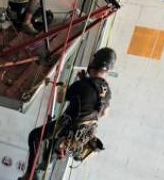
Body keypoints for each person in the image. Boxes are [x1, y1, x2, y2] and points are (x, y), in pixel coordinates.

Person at [19, 47, 114, 180]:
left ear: (94, 63)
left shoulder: (82, 85)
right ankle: (56, 152)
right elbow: (104, 113)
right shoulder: (107, 91)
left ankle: (30, 174)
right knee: (53, 139)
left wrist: (69, 85)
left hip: (69, 128)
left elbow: (61, 99)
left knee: (34, 136)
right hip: (84, 134)